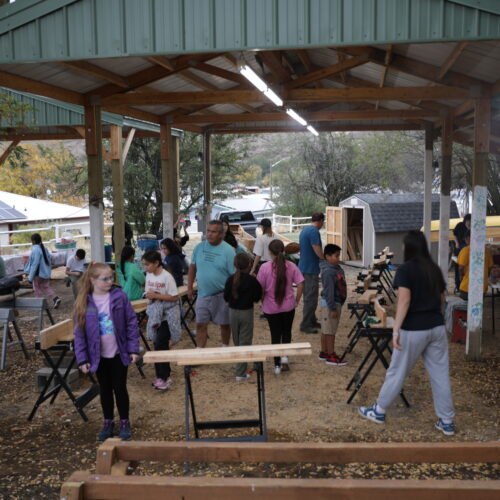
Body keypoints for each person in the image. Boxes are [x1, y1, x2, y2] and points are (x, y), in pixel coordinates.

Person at [358, 230, 455, 436]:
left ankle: (379, 410)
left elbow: (404, 301)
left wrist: (396, 329)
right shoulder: (434, 269)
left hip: (413, 328)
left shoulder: (406, 270)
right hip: (436, 328)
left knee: (397, 371)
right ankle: (446, 421)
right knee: (440, 375)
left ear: (408, 248)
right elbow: (442, 301)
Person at [73, 263, 140, 441]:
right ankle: (108, 421)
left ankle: (125, 421)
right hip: (98, 356)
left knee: (120, 388)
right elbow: (79, 334)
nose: (110, 281)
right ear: (93, 280)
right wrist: (82, 359)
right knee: (105, 390)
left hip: (119, 353)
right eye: (105, 279)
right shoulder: (84, 301)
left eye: (111, 277)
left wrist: (133, 348)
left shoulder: (120, 296)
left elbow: (131, 323)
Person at [257, 239, 304, 374]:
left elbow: (260, 288)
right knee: (287, 333)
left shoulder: (265, 268)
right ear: (283, 251)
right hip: (288, 306)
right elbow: (301, 284)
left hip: (271, 307)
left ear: (270, 253)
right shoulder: (291, 266)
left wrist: (262, 300)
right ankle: (284, 359)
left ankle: (276, 364)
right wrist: (297, 300)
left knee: (275, 335)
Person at [188, 220, 236, 348]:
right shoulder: (199, 247)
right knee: (200, 324)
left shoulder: (229, 250)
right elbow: (192, 267)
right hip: (203, 294)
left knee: (225, 324)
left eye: (213, 232)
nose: (209, 234)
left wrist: (232, 295)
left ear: (221, 234)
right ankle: (200, 351)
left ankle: (225, 347)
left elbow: (234, 275)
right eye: (208, 231)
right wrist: (189, 287)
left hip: (222, 295)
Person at [142, 250, 181, 391]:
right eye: (144, 265)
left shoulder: (167, 277)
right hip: (155, 314)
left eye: (147, 264)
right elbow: (148, 293)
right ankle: (162, 376)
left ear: (156, 263)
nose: (145, 268)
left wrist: (157, 296)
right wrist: (150, 296)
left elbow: (174, 297)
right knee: (158, 344)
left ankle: (164, 377)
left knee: (159, 345)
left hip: (167, 315)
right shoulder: (149, 275)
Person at [223, 253, 262, 381]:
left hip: (233, 312)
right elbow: (257, 298)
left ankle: (240, 364)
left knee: (237, 339)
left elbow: (225, 297)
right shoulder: (252, 281)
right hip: (246, 312)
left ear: (235, 265)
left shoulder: (230, 279)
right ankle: (240, 373)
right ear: (250, 265)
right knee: (245, 341)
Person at [318, 244, 348, 366]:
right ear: (327, 256)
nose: (338, 258)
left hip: (334, 303)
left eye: (338, 255)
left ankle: (324, 352)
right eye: (336, 256)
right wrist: (332, 308)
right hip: (331, 304)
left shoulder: (335, 268)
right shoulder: (329, 272)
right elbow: (329, 291)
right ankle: (331, 355)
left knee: (326, 329)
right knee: (330, 331)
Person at [298, 212, 325, 333]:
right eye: (322, 222)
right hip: (310, 269)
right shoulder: (314, 231)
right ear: (320, 221)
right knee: (311, 297)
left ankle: (312, 320)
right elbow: (316, 247)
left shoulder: (305, 230)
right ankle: (306, 324)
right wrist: (324, 259)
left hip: (303, 267)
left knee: (309, 295)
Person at [24, 233, 61, 309]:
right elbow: (49, 259)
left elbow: (35, 264)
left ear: (33, 241)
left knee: (36, 288)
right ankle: (55, 298)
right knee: (45, 286)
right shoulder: (44, 248)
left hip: (38, 274)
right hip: (45, 272)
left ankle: (41, 304)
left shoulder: (35, 249)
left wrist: (30, 277)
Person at [457, 231, 493, 301]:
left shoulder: (465, 250)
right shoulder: (487, 251)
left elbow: (461, 268)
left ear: (468, 239)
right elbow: (490, 267)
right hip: (482, 287)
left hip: (467, 286)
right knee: (478, 308)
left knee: (464, 309)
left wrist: (461, 278)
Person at [453, 214, 471, 293]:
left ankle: (466, 287)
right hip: (460, 248)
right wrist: (457, 243)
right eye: (468, 221)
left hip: (468, 250)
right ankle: (458, 286)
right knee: (458, 268)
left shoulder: (473, 226)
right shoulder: (460, 225)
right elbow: (454, 234)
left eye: (471, 221)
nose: (469, 222)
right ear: (465, 220)